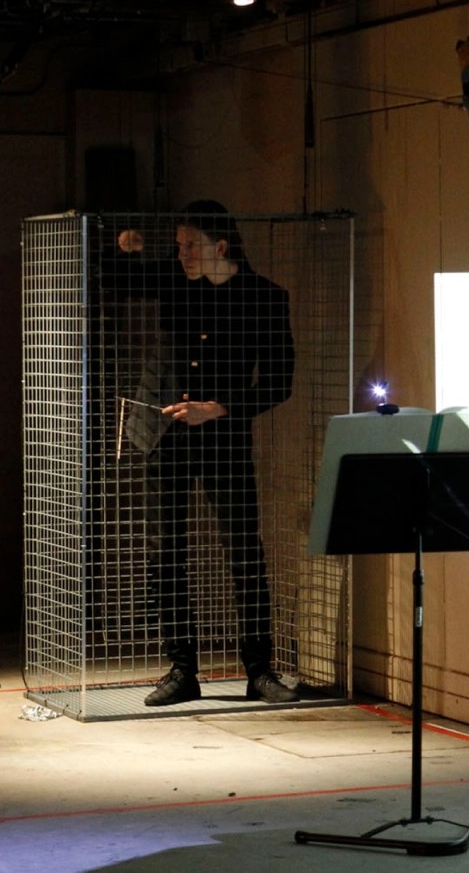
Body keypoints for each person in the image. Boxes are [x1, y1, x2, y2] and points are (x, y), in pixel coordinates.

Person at [112, 201, 299, 706]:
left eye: (190, 245)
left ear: (221, 246)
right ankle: (182, 670)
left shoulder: (264, 298)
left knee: (244, 552)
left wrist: (217, 408)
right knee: (165, 552)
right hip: (165, 438)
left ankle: (259, 671)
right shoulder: (174, 280)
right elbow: (117, 281)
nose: (181, 255)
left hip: (223, 440)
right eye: (178, 246)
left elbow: (279, 383)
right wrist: (124, 249)